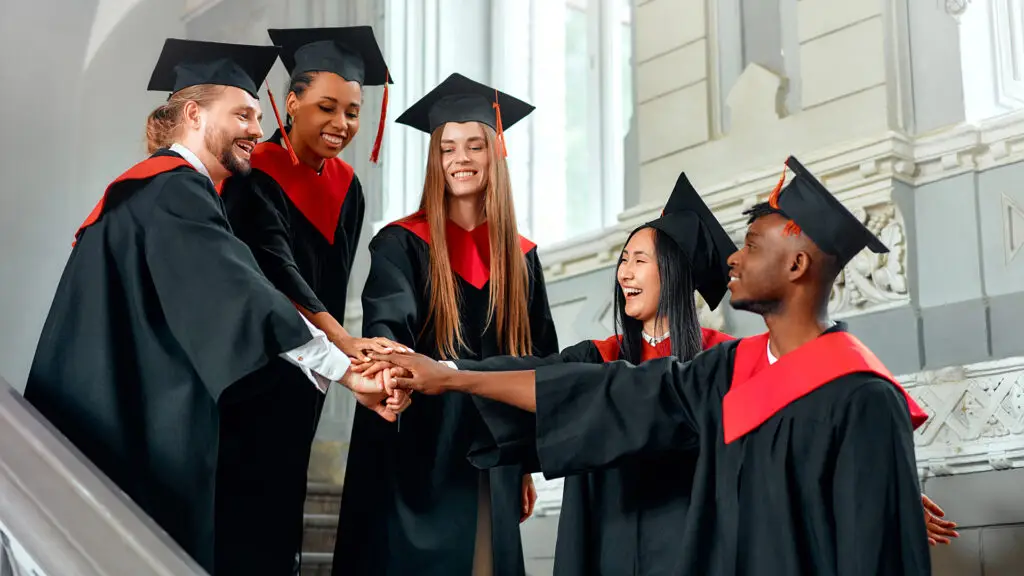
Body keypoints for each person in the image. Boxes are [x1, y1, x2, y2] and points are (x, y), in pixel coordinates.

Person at [377, 156, 937, 574]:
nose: (734, 259)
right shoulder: (723, 374)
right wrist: (451, 376)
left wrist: (890, 485)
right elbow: (605, 395)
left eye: (752, 246)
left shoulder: (861, 397)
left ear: (796, 266)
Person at [23, 39, 404, 575]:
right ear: (195, 114)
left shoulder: (151, 190)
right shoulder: (175, 192)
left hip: (115, 415)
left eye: (256, 115)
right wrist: (346, 368)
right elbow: (241, 292)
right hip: (127, 426)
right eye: (243, 114)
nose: (255, 127)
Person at [447, 171, 735, 575]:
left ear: (674, 273)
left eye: (639, 260)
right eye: (623, 260)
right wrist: (451, 374)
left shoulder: (720, 356)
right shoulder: (601, 356)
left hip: (687, 540)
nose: (625, 273)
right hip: (607, 535)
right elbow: (536, 376)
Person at [332, 73, 560, 576]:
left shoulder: (521, 258)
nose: (461, 159)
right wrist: (389, 368)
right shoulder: (401, 243)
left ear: (494, 152)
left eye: (474, 145)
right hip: (418, 439)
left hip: (492, 442)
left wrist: (523, 462)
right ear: (435, 161)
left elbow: (541, 362)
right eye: (447, 148)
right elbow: (388, 320)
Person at [219, 27, 403, 572]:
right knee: (244, 490)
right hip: (258, 356)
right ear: (291, 102)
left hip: (311, 365)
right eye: (326, 107)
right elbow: (274, 265)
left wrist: (336, 345)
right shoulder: (253, 173)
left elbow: (338, 277)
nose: (342, 125)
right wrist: (342, 340)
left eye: (352, 111)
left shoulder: (348, 185)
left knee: (285, 485)